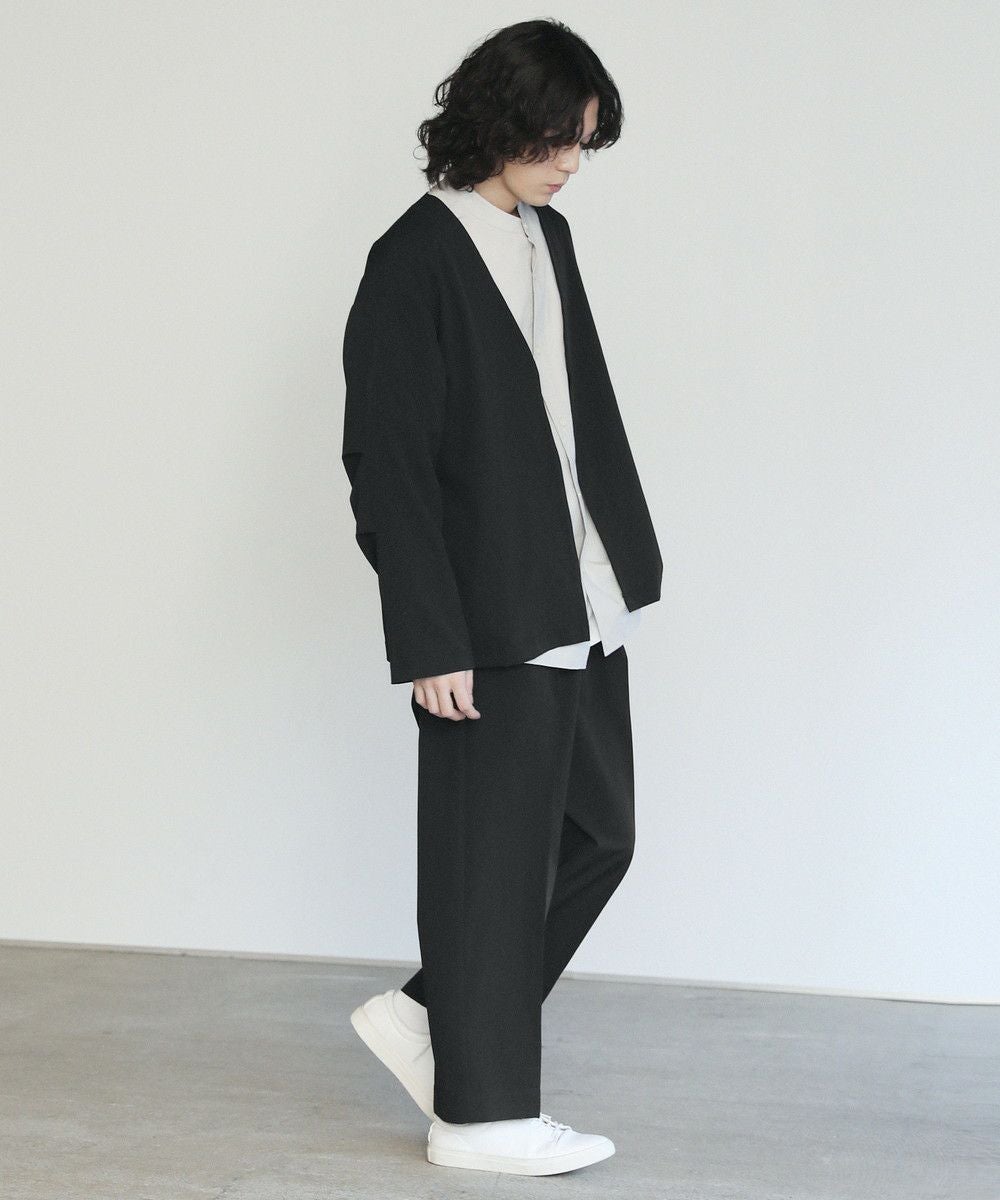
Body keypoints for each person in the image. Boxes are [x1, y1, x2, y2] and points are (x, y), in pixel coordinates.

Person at [343, 18, 662, 1176]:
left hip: (577, 598)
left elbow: (566, 420)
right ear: (494, 121)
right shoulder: (412, 259)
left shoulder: (545, 236)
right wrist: (432, 636)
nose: (571, 163)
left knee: (597, 835)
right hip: (484, 618)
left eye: (583, 143)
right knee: (489, 868)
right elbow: (387, 463)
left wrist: (612, 568)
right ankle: (479, 1118)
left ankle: (431, 1018)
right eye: (554, 139)